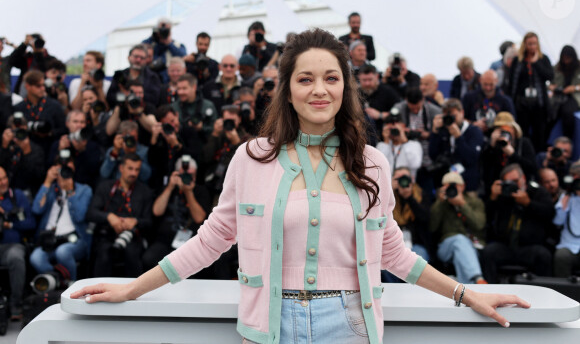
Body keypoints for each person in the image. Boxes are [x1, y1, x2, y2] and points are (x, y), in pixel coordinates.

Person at [72, 29, 529, 344]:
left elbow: (393, 253)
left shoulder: (372, 162)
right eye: (305, 78)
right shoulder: (251, 157)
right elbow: (210, 240)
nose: (319, 89)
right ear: (287, 89)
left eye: (331, 78)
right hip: (269, 324)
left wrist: (468, 294)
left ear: (345, 87)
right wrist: (132, 289)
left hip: (351, 323)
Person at [482, 163, 555, 283]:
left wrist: (528, 204)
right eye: (509, 182)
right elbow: (487, 217)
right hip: (506, 246)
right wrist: (493, 198)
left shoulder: (538, 192)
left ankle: (543, 293)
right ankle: (490, 292)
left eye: (516, 181)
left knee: (544, 255)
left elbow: (549, 213)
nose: (514, 185)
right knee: (488, 252)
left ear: (524, 178)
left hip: (530, 247)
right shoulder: (502, 195)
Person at [87, 153, 153, 278]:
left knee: (132, 254)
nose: (133, 173)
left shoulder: (145, 191)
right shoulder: (106, 187)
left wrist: (136, 221)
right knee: (104, 253)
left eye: (137, 169)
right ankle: (98, 292)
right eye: (130, 168)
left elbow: (149, 222)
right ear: (121, 168)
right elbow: (91, 213)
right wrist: (108, 217)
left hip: (132, 236)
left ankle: (135, 293)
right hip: (106, 234)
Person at [142, 156, 212, 273]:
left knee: (191, 268)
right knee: (148, 259)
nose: (186, 177)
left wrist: (188, 192)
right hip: (164, 240)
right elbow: (156, 211)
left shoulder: (201, 191)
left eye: (191, 174)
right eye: (183, 174)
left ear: (195, 175)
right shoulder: (168, 187)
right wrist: (170, 187)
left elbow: (199, 218)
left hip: (190, 242)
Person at [30, 158, 92, 283]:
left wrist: (70, 192)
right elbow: (37, 209)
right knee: (36, 257)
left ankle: (72, 284)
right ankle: (57, 280)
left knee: (62, 252)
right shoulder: (52, 189)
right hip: (49, 240)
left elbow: (80, 216)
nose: (64, 173)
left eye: (67, 169)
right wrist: (47, 182)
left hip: (74, 240)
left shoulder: (84, 190)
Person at [430, 172, 487, 284]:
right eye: (447, 186)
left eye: (454, 185)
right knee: (460, 240)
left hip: (472, 244)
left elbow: (479, 224)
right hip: (446, 246)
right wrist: (440, 203)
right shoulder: (440, 203)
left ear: (463, 186)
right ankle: (478, 278)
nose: (451, 189)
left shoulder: (475, 202)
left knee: (460, 254)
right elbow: (432, 227)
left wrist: (462, 205)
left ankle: (468, 290)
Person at [381, 167, 432, 283]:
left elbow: (425, 218)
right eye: (398, 179)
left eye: (405, 177)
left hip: (417, 243)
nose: (402, 182)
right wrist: (388, 191)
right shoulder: (389, 196)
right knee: (385, 267)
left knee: (420, 259)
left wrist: (409, 198)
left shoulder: (421, 194)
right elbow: (380, 215)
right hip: (394, 244)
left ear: (412, 179)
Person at [0, 166, 35, 320]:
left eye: (4, 178)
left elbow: (30, 223)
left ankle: (16, 304)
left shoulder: (18, 196)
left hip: (12, 246)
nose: (2, 182)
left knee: (16, 257)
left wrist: (9, 220)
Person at [508, 32, 554, 152]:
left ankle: (537, 156)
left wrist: (536, 63)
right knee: (522, 132)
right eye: (530, 44)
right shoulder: (518, 61)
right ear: (525, 45)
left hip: (539, 103)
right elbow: (512, 82)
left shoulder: (543, 59)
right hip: (522, 104)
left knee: (539, 133)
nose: (532, 47)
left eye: (534, 44)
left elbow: (549, 76)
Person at [429, 99, 484, 193]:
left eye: (453, 116)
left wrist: (458, 137)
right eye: (447, 116)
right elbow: (433, 155)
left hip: (468, 186)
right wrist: (434, 133)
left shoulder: (474, 131)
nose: (450, 119)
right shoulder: (442, 131)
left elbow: (471, 158)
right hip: (444, 185)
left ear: (462, 113)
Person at [481, 112, 536, 198]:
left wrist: (512, 154)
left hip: (521, 188)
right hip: (499, 189)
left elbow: (532, 167)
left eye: (507, 129)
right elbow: (484, 168)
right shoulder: (493, 146)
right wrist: (491, 146)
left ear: (514, 129)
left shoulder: (523, 143)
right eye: (500, 130)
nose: (504, 132)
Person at [106, 44, 161, 109]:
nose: (138, 60)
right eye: (136, 56)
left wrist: (136, 95)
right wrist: (124, 96)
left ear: (146, 60)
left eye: (142, 58)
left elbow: (155, 99)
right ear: (129, 57)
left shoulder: (153, 77)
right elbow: (110, 97)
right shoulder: (119, 75)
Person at [462, 70, 515, 134]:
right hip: (473, 134)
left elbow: (512, 122)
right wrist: (473, 124)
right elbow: (460, 118)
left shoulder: (506, 101)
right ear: (480, 80)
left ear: (496, 81)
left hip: (497, 136)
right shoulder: (469, 97)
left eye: (491, 84)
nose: (488, 88)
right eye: (485, 84)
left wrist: (497, 127)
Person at [552, 161, 580, 277]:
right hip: (569, 245)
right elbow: (557, 221)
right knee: (561, 256)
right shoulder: (566, 197)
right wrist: (565, 201)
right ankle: (563, 293)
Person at [172, 73, 217, 140]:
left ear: (194, 87)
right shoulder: (173, 108)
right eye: (178, 89)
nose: (180, 92)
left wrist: (202, 127)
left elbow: (215, 129)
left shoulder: (208, 106)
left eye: (184, 88)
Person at [142, 17, 187, 84]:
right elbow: (142, 50)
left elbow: (183, 55)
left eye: (166, 29)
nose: (164, 31)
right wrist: (154, 36)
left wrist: (169, 44)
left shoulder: (176, 44)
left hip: (170, 78)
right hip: (153, 76)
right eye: (161, 29)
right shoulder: (150, 43)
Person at [359, 64, 400, 136]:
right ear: (359, 78)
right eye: (364, 80)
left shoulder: (388, 91)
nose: (367, 83)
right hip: (361, 134)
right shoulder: (355, 93)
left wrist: (380, 115)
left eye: (370, 79)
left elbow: (399, 113)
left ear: (377, 77)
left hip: (384, 134)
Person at [549, 45, 580, 139]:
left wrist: (574, 88)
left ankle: (567, 140)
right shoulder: (557, 67)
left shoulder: (578, 68)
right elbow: (549, 81)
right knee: (550, 111)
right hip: (558, 96)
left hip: (574, 96)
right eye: (564, 58)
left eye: (568, 58)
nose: (566, 61)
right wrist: (551, 87)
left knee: (567, 112)